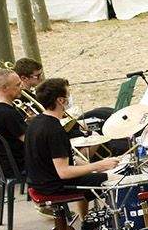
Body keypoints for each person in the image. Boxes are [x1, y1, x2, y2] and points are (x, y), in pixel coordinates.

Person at [23, 78, 121, 219]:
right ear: (60, 101)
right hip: (55, 186)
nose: (69, 99)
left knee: (94, 174)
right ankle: (114, 225)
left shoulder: (36, 122)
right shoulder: (54, 130)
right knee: (116, 180)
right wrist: (99, 165)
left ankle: (87, 221)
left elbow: (62, 160)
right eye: (68, 96)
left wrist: (91, 167)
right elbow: (64, 172)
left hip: (39, 181)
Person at [0, 69, 28, 170]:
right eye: (18, 85)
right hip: (20, 164)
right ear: (4, 88)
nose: (22, 87)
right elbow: (30, 141)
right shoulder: (7, 114)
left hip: (5, 164)